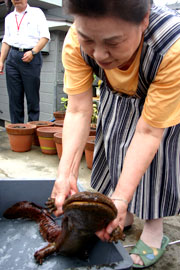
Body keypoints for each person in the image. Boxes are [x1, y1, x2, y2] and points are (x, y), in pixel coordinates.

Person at [51, 0, 180, 268]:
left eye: (113, 42)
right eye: (89, 40)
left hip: (158, 112)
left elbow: (148, 132)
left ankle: (154, 230)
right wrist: (66, 174)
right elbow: (76, 111)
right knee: (115, 151)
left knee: (155, 166)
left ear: (144, 20)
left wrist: (122, 196)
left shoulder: (171, 46)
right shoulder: (76, 38)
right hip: (118, 98)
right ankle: (123, 213)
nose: (99, 55)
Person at [0, 0, 50, 123]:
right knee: (14, 98)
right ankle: (17, 131)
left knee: (32, 98)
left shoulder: (36, 13)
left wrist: (34, 52)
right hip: (12, 57)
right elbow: (6, 41)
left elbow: (45, 36)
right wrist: (1, 60)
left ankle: (32, 132)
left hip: (31, 56)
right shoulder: (9, 18)